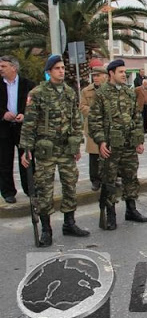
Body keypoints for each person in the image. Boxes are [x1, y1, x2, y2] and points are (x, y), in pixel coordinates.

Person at [19, 55, 89, 246]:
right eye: (57, 68)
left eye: (63, 68)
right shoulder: (38, 93)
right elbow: (29, 123)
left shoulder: (69, 92)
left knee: (70, 185)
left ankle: (69, 223)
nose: (61, 71)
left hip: (66, 148)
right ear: (49, 72)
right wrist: (26, 149)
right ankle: (46, 229)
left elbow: (76, 120)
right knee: (44, 189)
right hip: (46, 150)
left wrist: (76, 145)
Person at [89, 59, 147, 230]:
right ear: (111, 74)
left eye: (125, 72)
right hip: (111, 145)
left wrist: (139, 140)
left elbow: (137, 117)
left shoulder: (129, 93)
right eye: (121, 72)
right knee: (109, 180)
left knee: (131, 176)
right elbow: (95, 121)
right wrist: (101, 142)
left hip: (129, 144)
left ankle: (131, 209)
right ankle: (111, 213)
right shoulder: (101, 94)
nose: (124, 75)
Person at [0, 55, 35, 204]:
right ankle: (8, 192)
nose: (0, 69)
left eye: (3, 66)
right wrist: (3, 114)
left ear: (13, 67)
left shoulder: (28, 85)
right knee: (4, 161)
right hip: (3, 128)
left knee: (26, 158)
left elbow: (33, 105)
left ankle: (30, 188)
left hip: (23, 128)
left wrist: (24, 114)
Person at [80, 66, 108, 191]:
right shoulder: (87, 91)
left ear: (105, 76)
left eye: (98, 75)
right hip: (92, 126)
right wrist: (95, 111)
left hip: (107, 126)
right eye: (94, 76)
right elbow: (82, 107)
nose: (95, 78)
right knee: (94, 154)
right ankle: (95, 180)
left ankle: (109, 177)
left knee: (109, 153)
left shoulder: (109, 89)